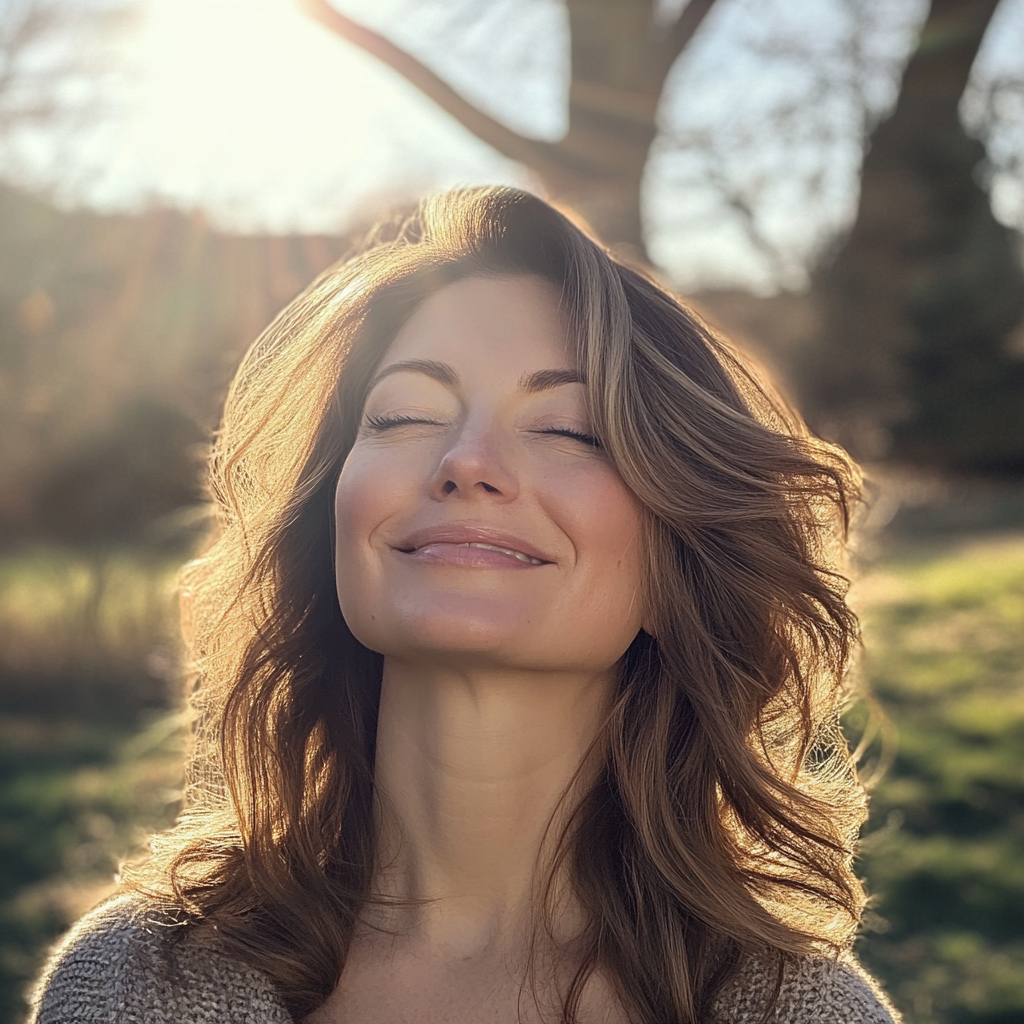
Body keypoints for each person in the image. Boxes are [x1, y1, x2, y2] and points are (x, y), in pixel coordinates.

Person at [29, 187, 900, 1024]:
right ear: (331, 523)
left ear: (682, 563)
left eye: (569, 429)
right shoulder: (139, 983)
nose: (467, 459)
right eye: (406, 415)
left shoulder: (804, 1011)